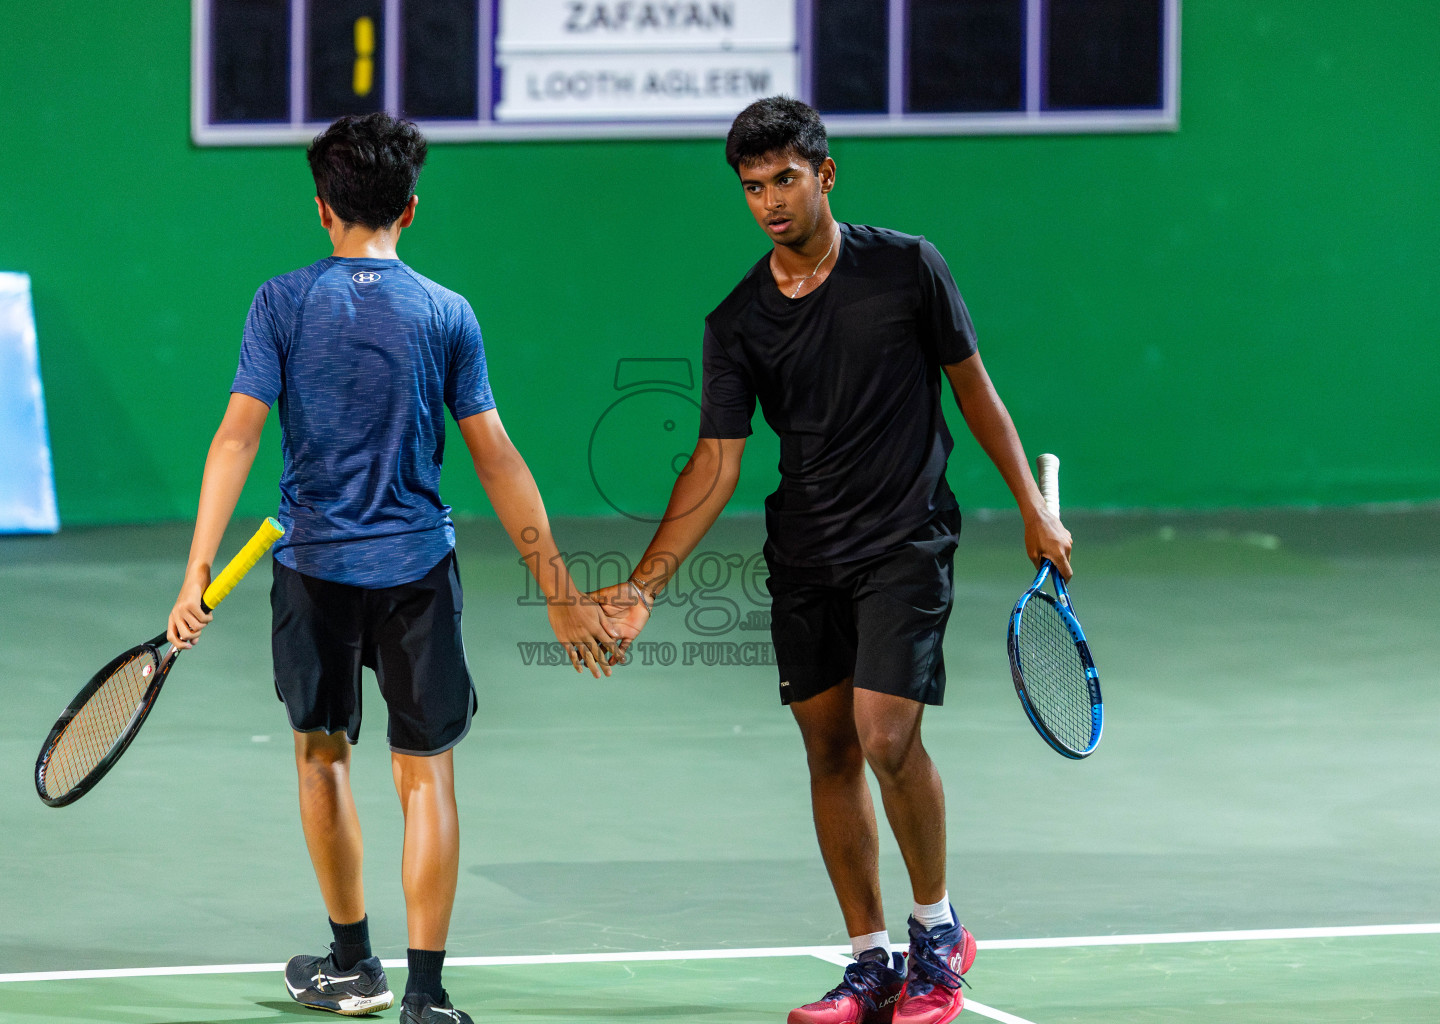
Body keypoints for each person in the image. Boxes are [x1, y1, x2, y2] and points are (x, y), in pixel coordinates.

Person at [591, 97, 1073, 1024]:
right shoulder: (736, 321)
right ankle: (868, 960)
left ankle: (936, 939)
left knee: (889, 737)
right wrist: (646, 586)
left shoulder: (907, 267)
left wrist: (1030, 508)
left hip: (906, 537)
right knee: (830, 750)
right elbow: (716, 462)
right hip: (807, 554)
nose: (770, 201)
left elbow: (976, 394)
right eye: (752, 187)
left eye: (784, 179)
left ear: (826, 175)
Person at [167, 112, 620, 1024]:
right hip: (417, 572)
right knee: (428, 774)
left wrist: (196, 572)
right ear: (410, 209)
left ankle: (351, 963)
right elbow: (498, 459)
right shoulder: (446, 312)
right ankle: (425, 994)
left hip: (314, 573)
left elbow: (236, 438)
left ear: (322, 209)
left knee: (322, 757)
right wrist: (563, 597)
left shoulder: (281, 302)